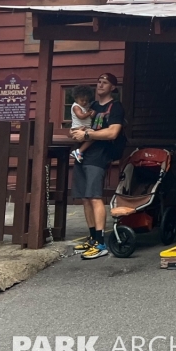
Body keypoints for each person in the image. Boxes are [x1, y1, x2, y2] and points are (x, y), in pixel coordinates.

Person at [70, 72, 124, 259]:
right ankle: (92, 239)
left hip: (99, 156)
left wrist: (86, 135)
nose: (100, 85)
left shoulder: (115, 107)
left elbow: (113, 133)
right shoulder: (90, 106)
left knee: (94, 197)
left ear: (113, 88)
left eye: (105, 82)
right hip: (82, 155)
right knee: (85, 197)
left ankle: (101, 244)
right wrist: (77, 133)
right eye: (99, 81)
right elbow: (80, 125)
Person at [69, 85, 94, 164]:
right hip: (78, 128)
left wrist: (91, 113)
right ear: (76, 99)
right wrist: (89, 113)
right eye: (82, 100)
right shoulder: (76, 106)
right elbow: (81, 116)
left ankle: (79, 151)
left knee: (93, 137)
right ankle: (78, 151)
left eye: (86, 100)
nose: (84, 102)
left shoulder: (86, 106)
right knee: (93, 137)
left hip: (85, 128)